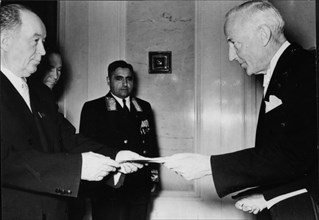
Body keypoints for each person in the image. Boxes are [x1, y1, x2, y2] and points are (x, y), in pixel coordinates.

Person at [164, 1, 318, 220]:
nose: (231, 55)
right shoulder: (286, 70)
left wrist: (208, 165)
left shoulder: (305, 69)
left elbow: (296, 155)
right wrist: (267, 194)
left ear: (263, 35)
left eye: (234, 43)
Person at [0, 4, 144, 220]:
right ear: (5, 41)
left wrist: (115, 155)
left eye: (44, 42)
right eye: (35, 40)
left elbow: (67, 138)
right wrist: (77, 168)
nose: (43, 51)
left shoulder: (40, 94)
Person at [79, 60, 159, 220]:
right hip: (107, 186)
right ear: (108, 80)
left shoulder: (144, 107)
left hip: (139, 185)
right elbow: (86, 148)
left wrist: (154, 177)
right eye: (119, 78)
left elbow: (151, 145)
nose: (124, 83)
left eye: (129, 79)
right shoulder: (93, 108)